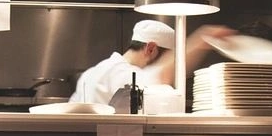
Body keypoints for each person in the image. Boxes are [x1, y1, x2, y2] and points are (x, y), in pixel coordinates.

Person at [70, 18, 234, 105]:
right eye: (168, 58)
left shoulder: (91, 73)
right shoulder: (122, 74)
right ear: (150, 48)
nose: (171, 65)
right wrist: (202, 39)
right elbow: (160, 76)